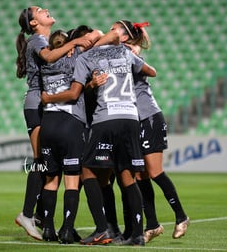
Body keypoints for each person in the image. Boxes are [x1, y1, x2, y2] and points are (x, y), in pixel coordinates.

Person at [41, 30, 157, 246]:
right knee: (127, 177)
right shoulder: (124, 52)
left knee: (86, 170)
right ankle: (138, 235)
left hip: (106, 118)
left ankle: (103, 229)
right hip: (131, 118)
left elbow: (76, 91)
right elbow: (151, 71)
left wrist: (91, 84)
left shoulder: (86, 57)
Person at [14, 6, 93, 240]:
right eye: (39, 10)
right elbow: (48, 57)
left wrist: (71, 45)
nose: (45, 9)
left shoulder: (45, 40)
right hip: (37, 102)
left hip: (42, 104)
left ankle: (39, 215)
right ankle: (28, 213)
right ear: (34, 23)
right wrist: (73, 44)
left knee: (48, 164)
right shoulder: (37, 41)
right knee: (40, 161)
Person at [112, 20, 189, 243]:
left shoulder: (130, 53)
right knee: (140, 174)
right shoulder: (121, 52)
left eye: (114, 29)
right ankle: (153, 224)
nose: (110, 32)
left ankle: (181, 217)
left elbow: (150, 70)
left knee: (154, 172)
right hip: (135, 120)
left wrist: (131, 50)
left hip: (149, 117)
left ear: (126, 36)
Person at [39, 28, 106, 244]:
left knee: (50, 180)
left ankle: (47, 229)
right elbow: (96, 34)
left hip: (47, 124)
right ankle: (67, 230)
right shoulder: (77, 57)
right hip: (70, 123)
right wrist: (76, 43)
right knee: (71, 182)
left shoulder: (45, 62)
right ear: (69, 45)